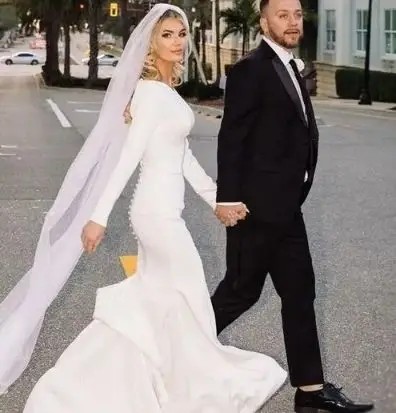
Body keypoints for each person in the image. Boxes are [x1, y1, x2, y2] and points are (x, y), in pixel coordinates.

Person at [19, 4, 287, 412]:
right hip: (155, 217)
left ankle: (123, 380)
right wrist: (98, 217)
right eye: (167, 35)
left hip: (163, 214)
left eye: (181, 33)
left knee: (158, 303)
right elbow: (128, 158)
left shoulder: (164, 93)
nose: (177, 41)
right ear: (150, 43)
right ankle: (193, 386)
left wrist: (219, 199)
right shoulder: (149, 94)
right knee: (192, 294)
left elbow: (182, 159)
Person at [212, 0, 374, 412]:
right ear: (264, 20)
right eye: (282, 15)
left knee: (300, 293)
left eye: (297, 14)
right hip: (255, 211)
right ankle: (172, 353)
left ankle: (311, 392)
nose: (292, 22)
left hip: (286, 209)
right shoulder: (251, 69)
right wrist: (228, 198)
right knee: (240, 293)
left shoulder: (289, 66)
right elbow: (232, 138)